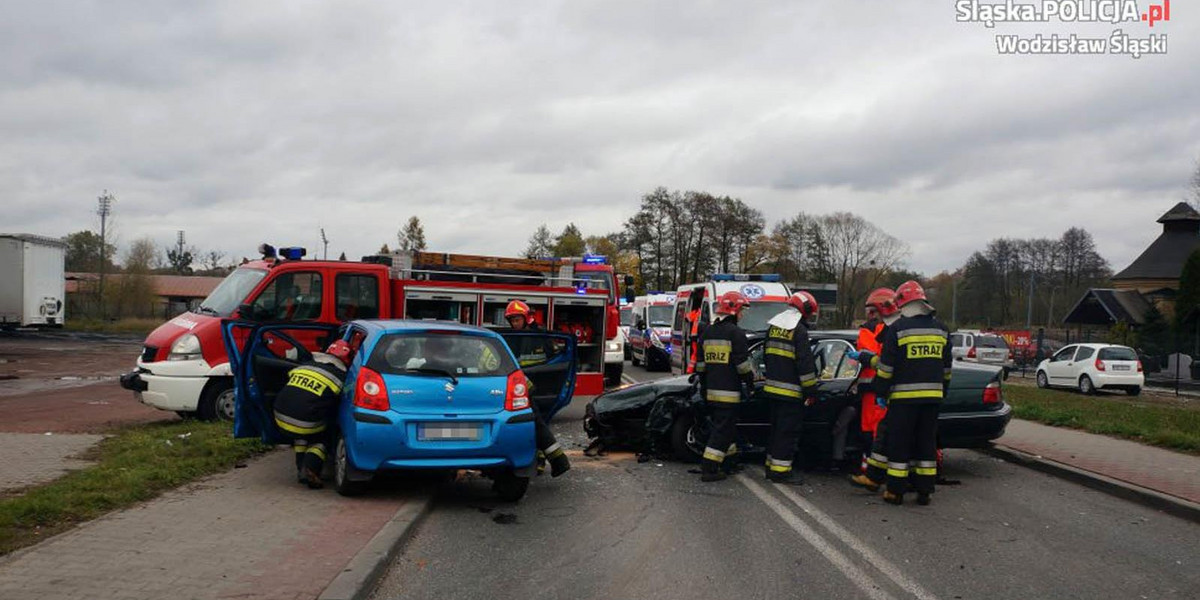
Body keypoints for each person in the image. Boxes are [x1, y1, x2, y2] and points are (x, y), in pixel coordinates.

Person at [872, 281, 952, 506]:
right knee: (926, 443)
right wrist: (942, 391)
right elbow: (946, 368)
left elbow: (887, 368)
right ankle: (924, 491)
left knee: (900, 444)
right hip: (932, 399)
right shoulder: (942, 329)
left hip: (903, 400)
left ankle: (895, 492)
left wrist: (880, 390)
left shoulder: (898, 329)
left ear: (903, 304)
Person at [274, 339, 352, 489]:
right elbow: (341, 400)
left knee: (301, 435)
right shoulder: (340, 377)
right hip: (304, 422)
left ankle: (300, 468)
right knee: (325, 436)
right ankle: (311, 468)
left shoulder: (305, 366)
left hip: (279, 416)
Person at [694, 291, 755, 483]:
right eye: (741, 310)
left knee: (725, 428)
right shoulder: (736, 334)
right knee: (723, 431)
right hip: (729, 392)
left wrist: (704, 387)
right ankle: (709, 467)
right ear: (734, 310)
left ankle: (729, 462)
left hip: (711, 391)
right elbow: (742, 366)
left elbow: (701, 366)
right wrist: (750, 381)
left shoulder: (708, 332)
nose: (742, 315)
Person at [505, 300, 570, 477]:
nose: (514, 323)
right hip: (521, 387)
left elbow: (555, 360)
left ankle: (548, 461)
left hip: (537, 387)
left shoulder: (541, 336)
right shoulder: (511, 338)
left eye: (517, 320)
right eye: (512, 320)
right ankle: (550, 461)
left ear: (526, 318)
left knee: (538, 422)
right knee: (536, 423)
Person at [761, 291, 820, 485]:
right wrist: (811, 390)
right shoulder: (799, 330)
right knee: (786, 434)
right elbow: (805, 364)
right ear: (806, 309)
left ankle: (771, 467)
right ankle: (781, 472)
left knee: (776, 431)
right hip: (791, 392)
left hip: (772, 390)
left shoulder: (774, 326)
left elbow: (766, 356)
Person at [849, 289, 902, 491]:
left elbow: (878, 359)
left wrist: (864, 357)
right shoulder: (881, 330)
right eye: (869, 312)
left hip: (880, 391)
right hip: (872, 392)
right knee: (870, 435)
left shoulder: (885, 331)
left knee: (878, 436)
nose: (870, 316)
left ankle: (876, 476)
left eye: (873, 312)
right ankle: (871, 473)